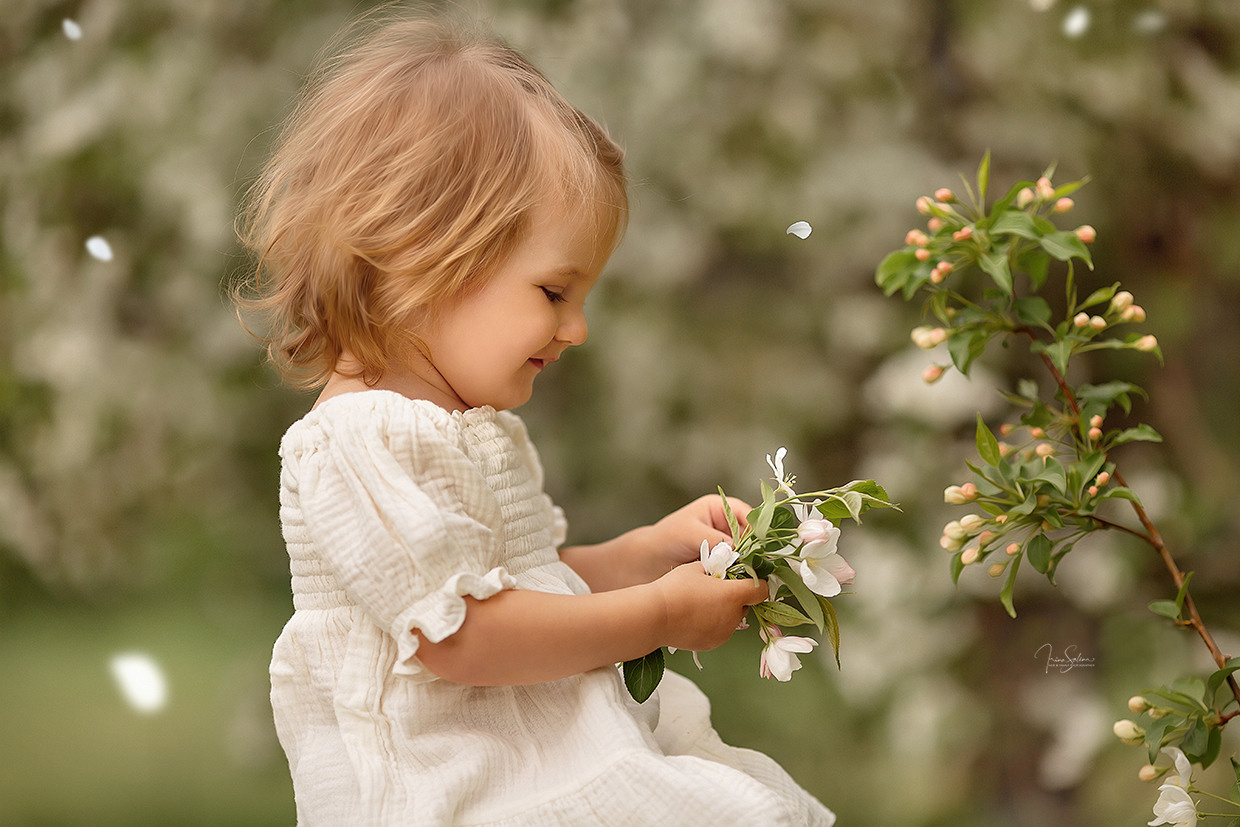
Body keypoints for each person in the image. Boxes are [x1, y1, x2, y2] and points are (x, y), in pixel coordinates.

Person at [236, 10, 836, 825]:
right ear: (422, 254)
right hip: (464, 794)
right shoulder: (356, 443)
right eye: (554, 292)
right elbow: (468, 636)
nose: (577, 328)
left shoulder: (462, 427)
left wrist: (646, 553)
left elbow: (526, 586)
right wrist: (657, 614)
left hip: (535, 767)